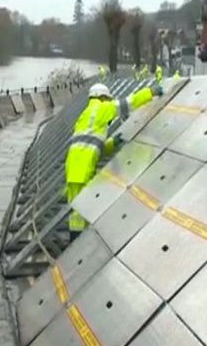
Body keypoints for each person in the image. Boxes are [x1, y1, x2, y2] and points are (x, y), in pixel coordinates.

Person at [65, 83, 164, 241]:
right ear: (103, 97)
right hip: (83, 171)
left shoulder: (86, 115)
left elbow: (94, 147)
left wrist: (112, 143)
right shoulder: (101, 108)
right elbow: (128, 103)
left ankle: (74, 248)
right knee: (85, 210)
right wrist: (150, 92)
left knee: (76, 216)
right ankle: (80, 248)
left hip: (73, 170)